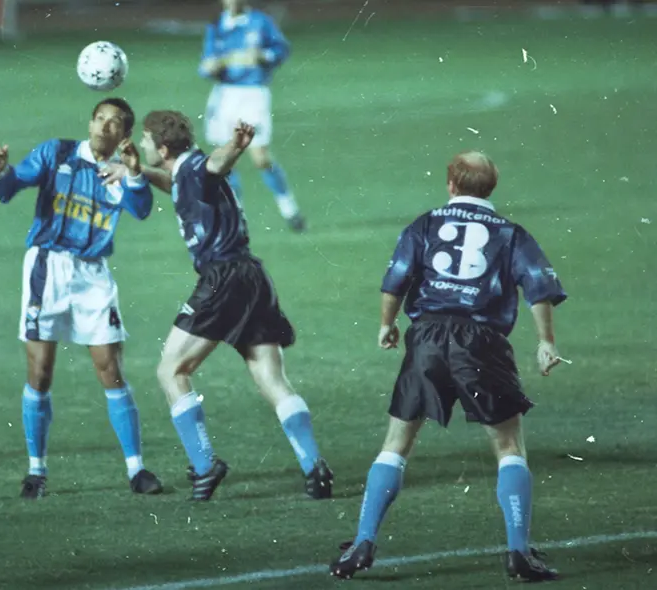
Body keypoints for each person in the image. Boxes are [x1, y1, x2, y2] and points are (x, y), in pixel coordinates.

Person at [328, 151, 565, 582]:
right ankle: (517, 553)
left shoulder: (425, 223)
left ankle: (363, 541)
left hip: (428, 338)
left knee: (396, 443)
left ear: (451, 185)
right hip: (482, 342)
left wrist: (386, 325)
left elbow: (396, 278)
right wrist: (546, 342)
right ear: (491, 188)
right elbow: (539, 287)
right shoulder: (511, 233)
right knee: (509, 448)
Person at [134, 110, 332, 501]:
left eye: (145, 142)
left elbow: (214, 164)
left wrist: (237, 147)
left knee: (171, 370)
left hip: (222, 279)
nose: (142, 146)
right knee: (271, 379)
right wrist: (135, 170)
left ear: (162, 147)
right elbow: (175, 180)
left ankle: (205, 466)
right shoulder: (185, 172)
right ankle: (315, 467)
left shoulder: (197, 167)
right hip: (252, 277)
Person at [0, 98, 163, 499]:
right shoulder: (57, 153)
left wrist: (135, 173)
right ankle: (37, 471)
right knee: (40, 370)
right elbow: (10, 188)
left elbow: (142, 208)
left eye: (114, 124)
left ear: (124, 135)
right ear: (90, 122)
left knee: (109, 367)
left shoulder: (119, 171)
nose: (104, 127)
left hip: (93, 274)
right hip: (47, 268)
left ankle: (137, 469)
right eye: (99, 119)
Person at [200, 0, 305, 231]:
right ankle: (236, 219)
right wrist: (211, 67)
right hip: (224, 96)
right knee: (226, 160)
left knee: (261, 158)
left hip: (253, 94)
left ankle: (290, 209)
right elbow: (204, 65)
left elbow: (282, 49)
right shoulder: (216, 26)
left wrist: (262, 56)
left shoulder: (260, 22)